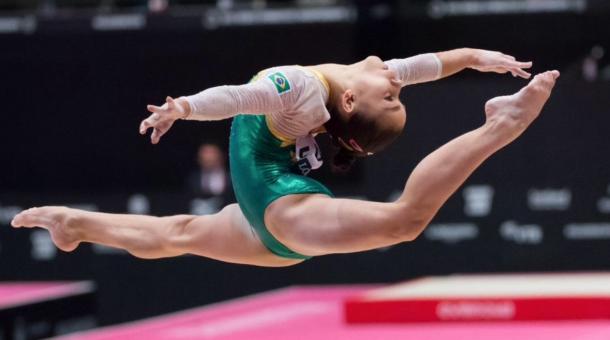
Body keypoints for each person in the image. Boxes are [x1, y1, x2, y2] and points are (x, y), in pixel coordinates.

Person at [11, 48, 559, 267]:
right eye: (397, 93)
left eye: (392, 95)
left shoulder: (303, 87)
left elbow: (236, 99)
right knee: (174, 234)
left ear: (351, 102)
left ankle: (76, 223)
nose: (397, 81)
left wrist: (180, 108)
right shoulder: (364, 82)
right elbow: (423, 66)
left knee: (405, 220)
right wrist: (471, 57)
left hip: (277, 204)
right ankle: (74, 223)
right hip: (273, 210)